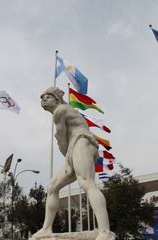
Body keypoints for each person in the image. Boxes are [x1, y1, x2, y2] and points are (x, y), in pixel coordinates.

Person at [33, 87, 115, 240]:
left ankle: (105, 231)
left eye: (48, 96)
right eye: (42, 97)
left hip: (81, 142)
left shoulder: (60, 111)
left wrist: (70, 156)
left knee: (87, 183)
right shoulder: (62, 111)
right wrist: (70, 160)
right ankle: (46, 228)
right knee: (52, 187)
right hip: (74, 150)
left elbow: (61, 138)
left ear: (57, 99)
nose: (43, 99)